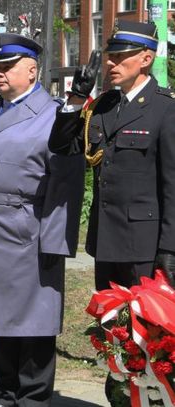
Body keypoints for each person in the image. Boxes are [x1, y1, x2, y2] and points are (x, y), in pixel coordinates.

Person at [0, 33, 84, 407]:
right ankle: (7, 392)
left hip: (25, 227)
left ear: (32, 69)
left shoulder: (54, 114)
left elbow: (67, 182)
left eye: (8, 68)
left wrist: (55, 241)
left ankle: (33, 396)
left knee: (32, 322)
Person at [49, 20, 175, 290]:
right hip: (105, 239)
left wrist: (170, 248)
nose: (110, 64)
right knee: (110, 326)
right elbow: (61, 146)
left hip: (145, 246)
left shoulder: (166, 109)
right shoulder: (103, 106)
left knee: (145, 329)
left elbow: (172, 188)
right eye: (110, 57)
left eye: (119, 57)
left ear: (146, 58)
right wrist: (76, 99)